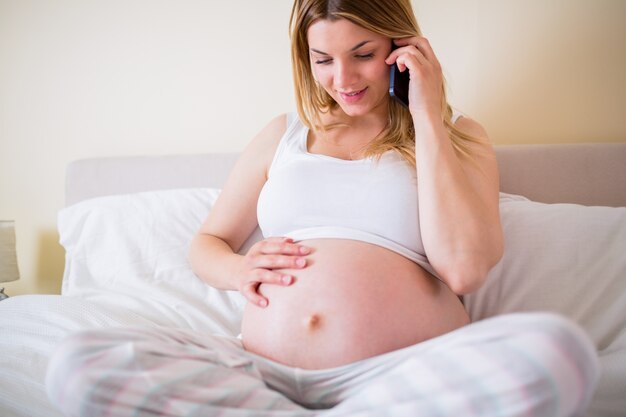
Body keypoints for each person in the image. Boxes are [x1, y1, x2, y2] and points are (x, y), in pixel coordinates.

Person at [45, 1, 599, 416]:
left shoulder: (458, 137)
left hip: (401, 373)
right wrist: (239, 269)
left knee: (558, 352)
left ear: (401, 49)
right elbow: (206, 243)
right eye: (323, 60)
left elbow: (466, 268)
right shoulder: (283, 135)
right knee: (80, 362)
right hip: (260, 374)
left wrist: (426, 114)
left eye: (363, 55)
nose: (342, 79)